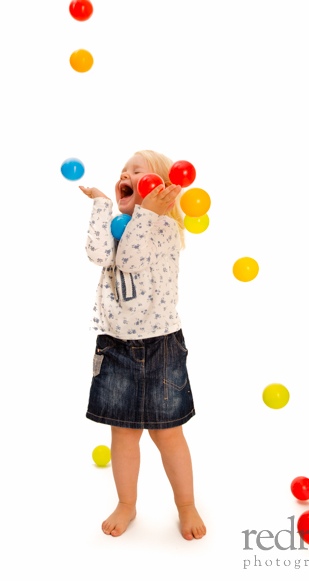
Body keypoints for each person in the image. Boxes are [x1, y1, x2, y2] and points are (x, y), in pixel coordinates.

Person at [79, 150, 206, 541]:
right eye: (124, 171)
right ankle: (127, 503)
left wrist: (149, 212)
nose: (126, 174)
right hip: (116, 346)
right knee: (122, 434)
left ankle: (186, 505)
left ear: (162, 190)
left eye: (138, 171)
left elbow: (132, 261)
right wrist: (102, 205)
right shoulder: (121, 223)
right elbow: (97, 253)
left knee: (168, 434)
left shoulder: (165, 228)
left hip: (161, 347)